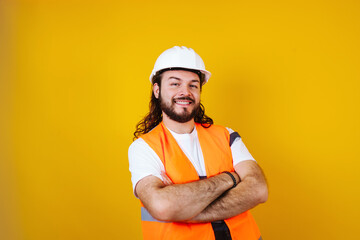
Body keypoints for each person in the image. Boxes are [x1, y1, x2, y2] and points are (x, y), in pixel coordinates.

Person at [128, 46, 268, 240]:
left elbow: (258, 190)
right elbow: (162, 206)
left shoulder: (226, 135)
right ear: (157, 90)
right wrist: (230, 178)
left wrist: (186, 211)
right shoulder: (144, 148)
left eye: (193, 85)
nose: (185, 92)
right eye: (175, 84)